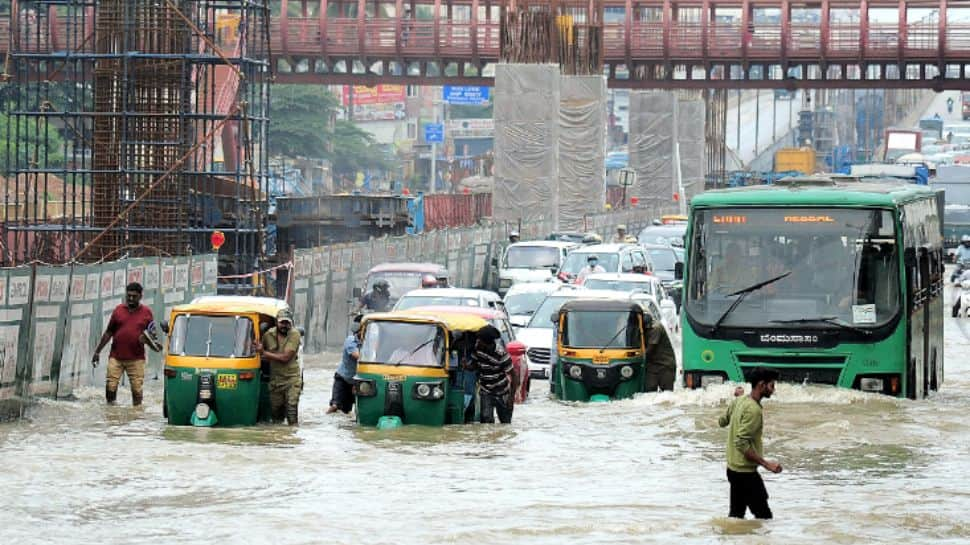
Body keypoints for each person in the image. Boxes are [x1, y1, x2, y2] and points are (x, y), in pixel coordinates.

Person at [718, 367, 783, 520]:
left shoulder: (740, 401)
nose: (773, 390)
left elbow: (722, 422)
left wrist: (736, 400)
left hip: (732, 469)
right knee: (764, 518)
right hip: (745, 474)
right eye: (771, 385)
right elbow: (741, 443)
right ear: (761, 385)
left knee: (736, 516)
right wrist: (767, 464)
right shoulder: (754, 410)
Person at [92, 282, 157, 406]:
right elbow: (109, 332)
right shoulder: (118, 310)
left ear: (140, 296)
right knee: (110, 385)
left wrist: (147, 339)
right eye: (129, 296)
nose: (131, 299)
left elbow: (153, 336)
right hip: (116, 357)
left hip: (136, 359)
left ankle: (136, 416)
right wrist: (97, 352)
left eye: (134, 296)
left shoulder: (147, 313)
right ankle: (111, 413)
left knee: (137, 390)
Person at [257, 309, 303, 425]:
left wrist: (264, 353)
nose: (284, 326)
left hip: (292, 379)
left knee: (292, 411)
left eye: (287, 323)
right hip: (275, 380)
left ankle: (292, 436)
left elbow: (285, 357)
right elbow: (258, 349)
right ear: (276, 322)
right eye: (282, 322)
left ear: (291, 323)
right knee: (276, 416)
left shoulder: (294, 334)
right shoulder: (268, 335)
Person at [465, 325, 516, 424]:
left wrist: (511, 398)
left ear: (486, 342)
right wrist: (466, 366)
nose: (477, 342)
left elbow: (514, 376)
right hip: (486, 391)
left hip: (502, 392)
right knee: (486, 421)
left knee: (505, 422)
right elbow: (474, 366)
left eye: (480, 340)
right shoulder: (478, 349)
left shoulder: (501, 354)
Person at [329, 315, 362, 414]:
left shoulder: (369, 341)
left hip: (355, 381)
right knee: (335, 406)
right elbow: (357, 356)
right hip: (343, 379)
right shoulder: (351, 340)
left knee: (346, 411)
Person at [644, 318, 676, 392]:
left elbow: (651, 347)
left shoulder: (655, 328)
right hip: (652, 366)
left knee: (667, 393)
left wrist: (640, 357)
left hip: (665, 364)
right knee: (649, 393)